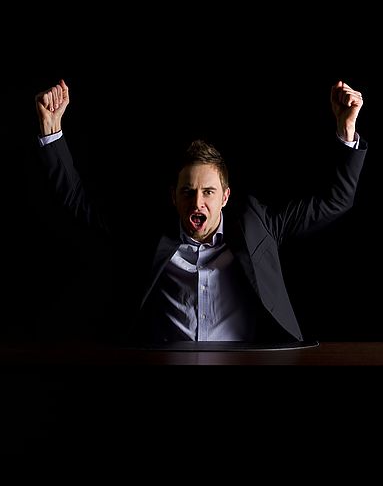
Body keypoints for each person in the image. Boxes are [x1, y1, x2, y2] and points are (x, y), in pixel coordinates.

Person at [35, 79, 366, 344]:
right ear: (174, 197)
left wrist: (346, 130)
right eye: (188, 192)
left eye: (208, 192)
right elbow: (78, 201)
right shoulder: (150, 233)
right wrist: (52, 132)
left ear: (225, 197)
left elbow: (334, 201)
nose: (197, 203)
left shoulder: (257, 225)